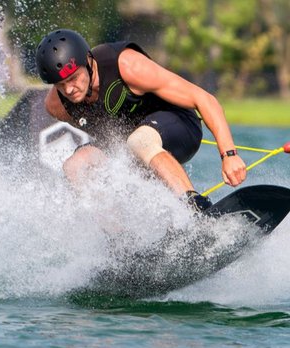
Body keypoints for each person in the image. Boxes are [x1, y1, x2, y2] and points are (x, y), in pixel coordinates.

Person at [35, 29, 247, 211]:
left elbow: (204, 99)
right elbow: (106, 137)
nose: (69, 89)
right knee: (75, 165)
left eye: (73, 79)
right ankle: (121, 242)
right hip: (131, 146)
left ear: (89, 61)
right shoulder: (57, 105)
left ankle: (193, 209)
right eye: (60, 85)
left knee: (139, 140)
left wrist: (229, 155)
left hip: (180, 127)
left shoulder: (127, 66)